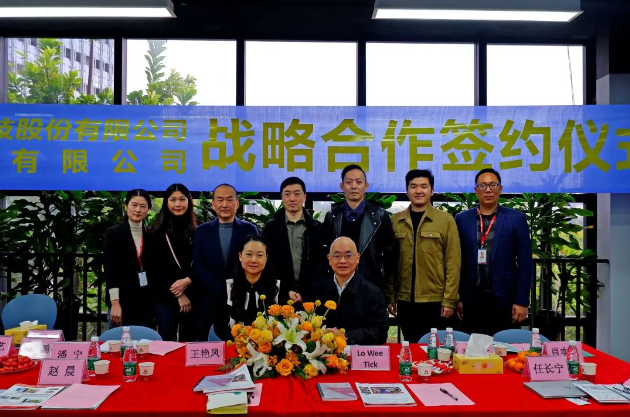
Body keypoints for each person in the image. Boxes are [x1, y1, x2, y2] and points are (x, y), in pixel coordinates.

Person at [455, 168, 533, 336]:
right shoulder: (462, 219)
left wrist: (521, 301)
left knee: (504, 347)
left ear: (500, 189)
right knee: (471, 349)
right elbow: (456, 261)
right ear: (476, 190)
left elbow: (525, 263)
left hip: (505, 300)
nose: (488, 190)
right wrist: (458, 298)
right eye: (482, 185)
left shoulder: (516, 219)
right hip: (471, 301)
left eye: (493, 185)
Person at [386, 169, 461, 342]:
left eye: (424, 186)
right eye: (413, 186)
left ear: (432, 191)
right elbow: (390, 263)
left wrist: (449, 300)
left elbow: (453, 262)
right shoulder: (395, 221)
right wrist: (390, 296)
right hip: (405, 301)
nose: (418, 191)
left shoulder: (445, 220)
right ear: (407, 191)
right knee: (412, 347)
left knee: (437, 350)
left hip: (436, 301)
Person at [192, 184, 258, 341]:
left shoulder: (249, 229)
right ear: (213, 204)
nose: (224, 204)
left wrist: (235, 287)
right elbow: (198, 263)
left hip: (240, 298)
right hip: (209, 299)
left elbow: (254, 262)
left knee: (240, 344)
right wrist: (217, 288)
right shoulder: (202, 231)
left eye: (229, 200)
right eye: (220, 200)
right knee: (206, 344)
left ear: (237, 203)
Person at [322, 164, 396, 291]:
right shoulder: (332, 216)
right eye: (349, 182)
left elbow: (390, 255)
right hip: (338, 285)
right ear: (342, 186)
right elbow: (325, 253)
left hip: (371, 284)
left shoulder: (380, 216)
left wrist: (388, 288)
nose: (354, 186)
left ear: (366, 186)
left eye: (359, 182)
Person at [311, 237, 389, 345]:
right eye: (337, 256)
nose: (342, 261)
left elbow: (379, 332)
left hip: (359, 352)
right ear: (329, 259)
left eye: (348, 256)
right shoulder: (318, 290)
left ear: (357, 258)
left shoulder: (372, 293)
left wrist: (345, 336)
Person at [262, 177, 323, 304]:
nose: (292, 198)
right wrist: (284, 291)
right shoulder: (271, 228)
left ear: (304, 197)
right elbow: (267, 264)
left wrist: (306, 294)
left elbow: (321, 265)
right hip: (278, 296)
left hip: (311, 297)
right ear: (282, 197)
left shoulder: (317, 228)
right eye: (287, 194)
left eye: (297, 194)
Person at [148, 183, 197, 342]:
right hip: (165, 296)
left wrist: (188, 281)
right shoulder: (157, 231)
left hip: (192, 295)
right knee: (166, 341)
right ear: (166, 202)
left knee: (188, 341)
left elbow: (201, 262)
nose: (177, 204)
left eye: (182, 199)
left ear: (189, 201)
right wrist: (179, 293)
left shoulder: (196, 231)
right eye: (173, 200)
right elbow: (155, 268)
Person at [104, 189, 155, 328]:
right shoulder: (114, 233)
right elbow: (110, 271)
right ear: (126, 205)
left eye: (143, 206)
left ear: (148, 209)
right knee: (118, 340)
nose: (138, 210)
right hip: (121, 302)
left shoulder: (152, 234)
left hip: (145, 303)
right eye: (134, 205)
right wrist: (115, 303)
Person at [214, 235, 280, 341]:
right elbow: (219, 325)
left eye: (259, 255)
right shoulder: (228, 286)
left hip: (269, 347)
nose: (254, 260)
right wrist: (239, 343)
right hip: (235, 346)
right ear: (240, 256)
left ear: (266, 258)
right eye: (249, 254)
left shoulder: (277, 287)